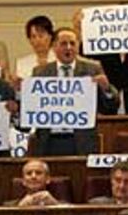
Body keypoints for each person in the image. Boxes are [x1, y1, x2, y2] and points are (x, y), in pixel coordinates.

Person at [31, 27, 119, 156]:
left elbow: (110, 108)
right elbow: (34, 106)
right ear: (54, 47)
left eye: (72, 43)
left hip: (82, 141)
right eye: (63, 44)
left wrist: (106, 89)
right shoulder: (40, 72)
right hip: (49, 141)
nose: (68, 48)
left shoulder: (92, 69)